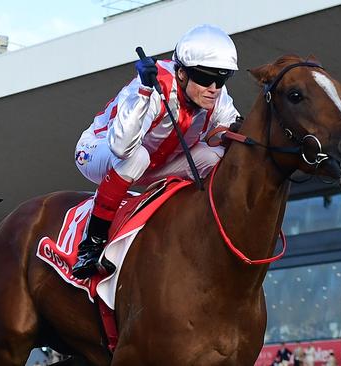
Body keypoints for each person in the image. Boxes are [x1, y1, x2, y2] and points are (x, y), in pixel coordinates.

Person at [72, 24, 240, 278]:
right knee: (137, 156)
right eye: (206, 78)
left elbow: (222, 135)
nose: (214, 88)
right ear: (181, 73)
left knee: (213, 156)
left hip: (155, 165)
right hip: (101, 152)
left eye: (223, 77)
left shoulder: (217, 96)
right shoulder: (155, 85)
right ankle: (92, 243)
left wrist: (234, 135)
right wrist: (144, 91)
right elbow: (121, 147)